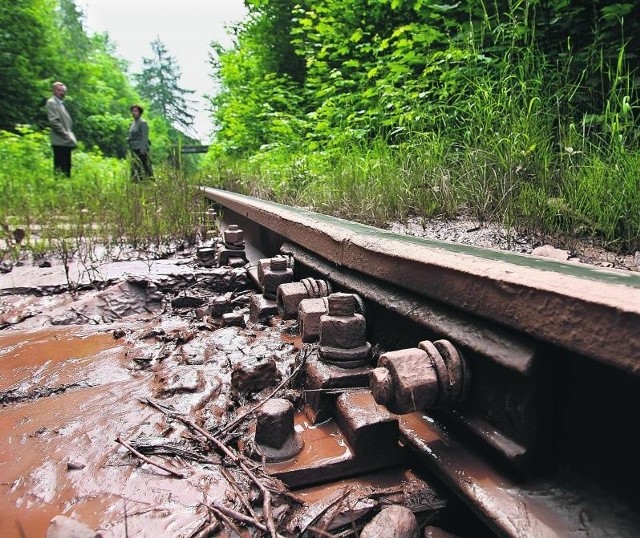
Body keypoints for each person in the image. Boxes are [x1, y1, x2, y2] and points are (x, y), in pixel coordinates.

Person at [45, 81, 77, 177]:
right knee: (60, 165)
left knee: (67, 166)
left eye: (63, 91)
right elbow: (54, 122)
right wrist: (65, 134)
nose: (62, 92)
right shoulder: (52, 102)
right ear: (54, 90)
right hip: (59, 140)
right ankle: (59, 186)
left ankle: (66, 186)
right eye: (59, 90)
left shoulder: (61, 104)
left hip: (66, 141)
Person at [127, 104, 153, 181]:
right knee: (135, 167)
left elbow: (145, 137)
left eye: (135, 111)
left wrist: (143, 149)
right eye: (132, 111)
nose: (133, 112)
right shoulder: (133, 123)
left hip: (141, 149)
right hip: (134, 148)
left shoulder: (143, 123)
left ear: (139, 112)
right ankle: (136, 183)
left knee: (146, 167)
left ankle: (150, 182)